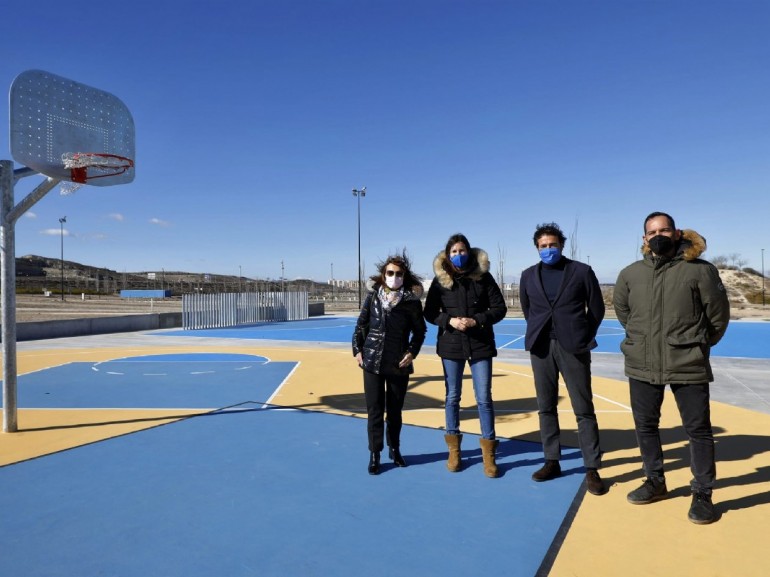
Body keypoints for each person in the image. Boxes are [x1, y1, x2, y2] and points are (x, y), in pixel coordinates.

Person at [614, 211, 730, 524]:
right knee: (645, 426)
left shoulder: (701, 271)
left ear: (677, 233)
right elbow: (624, 314)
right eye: (652, 232)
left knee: (698, 430)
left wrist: (698, 345)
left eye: (665, 230)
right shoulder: (629, 274)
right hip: (642, 363)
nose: (659, 236)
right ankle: (655, 480)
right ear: (644, 239)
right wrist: (644, 342)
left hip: (687, 363)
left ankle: (703, 493)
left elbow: (718, 316)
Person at [519, 223, 607, 496]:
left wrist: (582, 335)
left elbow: (596, 308)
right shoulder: (527, 276)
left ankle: (592, 468)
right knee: (546, 406)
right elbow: (528, 309)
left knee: (583, 408)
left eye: (552, 245)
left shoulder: (581, 271)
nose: (548, 249)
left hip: (574, 347)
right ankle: (552, 461)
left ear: (561, 245)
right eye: (543, 246)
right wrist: (540, 331)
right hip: (541, 348)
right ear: (537, 248)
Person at [424, 233, 507, 477]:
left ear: (469, 253)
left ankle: (489, 454)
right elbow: (429, 312)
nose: (458, 256)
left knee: (484, 398)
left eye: (461, 251)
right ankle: (454, 451)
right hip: (451, 346)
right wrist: (449, 320)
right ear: (447, 256)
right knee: (452, 396)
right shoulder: (441, 281)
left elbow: (499, 308)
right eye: (453, 252)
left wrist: (477, 320)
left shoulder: (483, 277)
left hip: (480, 344)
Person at [352, 252, 427, 475]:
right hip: (372, 362)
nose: (394, 276)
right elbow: (360, 326)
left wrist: (412, 352)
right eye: (390, 273)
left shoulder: (411, 303)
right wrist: (357, 350)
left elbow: (420, 331)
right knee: (374, 410)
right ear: (383, 275)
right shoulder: (373, 298)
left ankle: (395, 449)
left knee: (395, 412)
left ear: (405, 276)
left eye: (398, 273)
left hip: (398, 364)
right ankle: (375, 453)